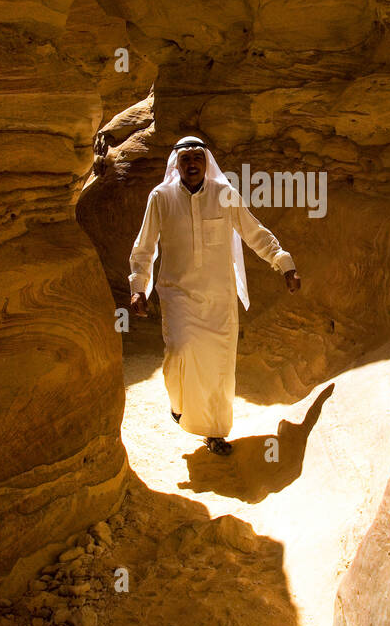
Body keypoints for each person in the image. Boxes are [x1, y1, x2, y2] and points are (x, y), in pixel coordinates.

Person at [129, 136, 301, 455]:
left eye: (198, 157)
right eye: (185, 159)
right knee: (179, 353)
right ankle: (179, 405)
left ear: (206, 162)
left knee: (218, 369)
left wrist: (284, 263)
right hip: (178, 296)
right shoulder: (161, 198)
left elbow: (254, 233)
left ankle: (215, 432)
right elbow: (144, 247)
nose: (192, 163)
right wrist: (138, 286)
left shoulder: (225, 195)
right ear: (176, 163)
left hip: (220, 299)